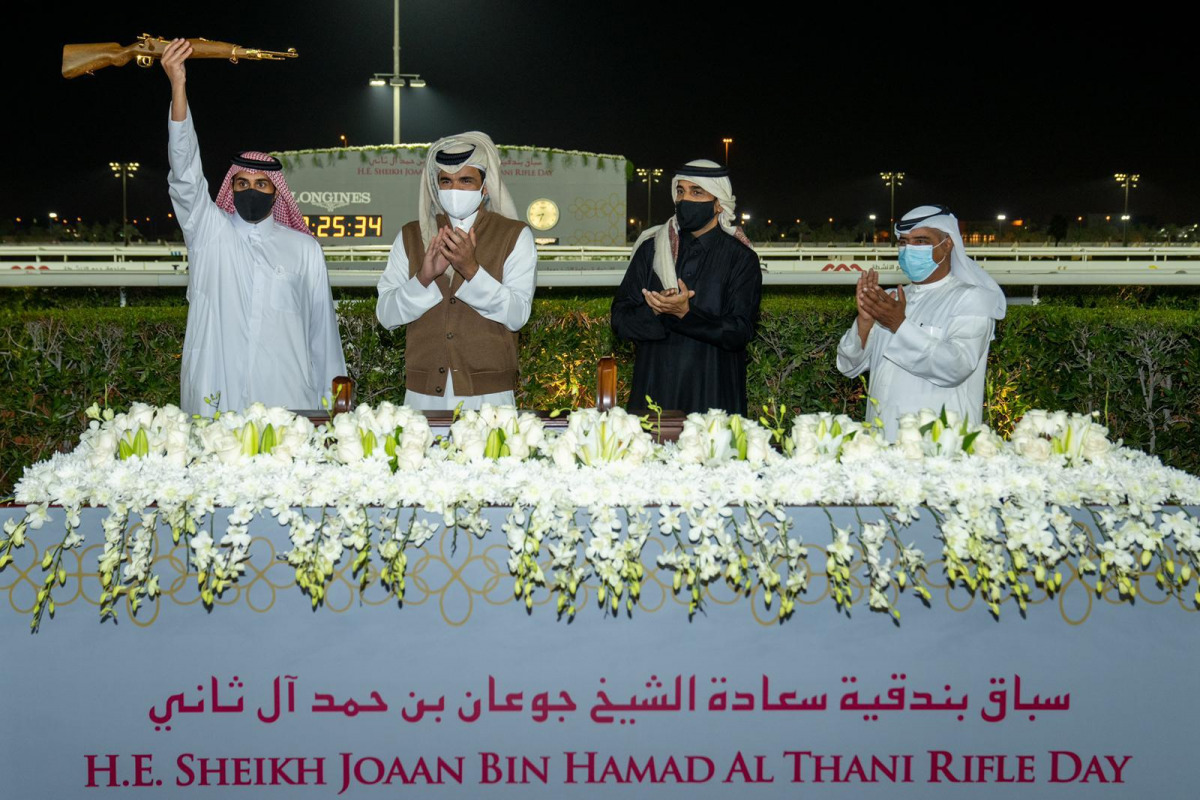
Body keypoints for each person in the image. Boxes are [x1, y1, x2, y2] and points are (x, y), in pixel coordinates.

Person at [161, 39, 345, 415]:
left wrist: (335, 416)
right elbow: (185, 175)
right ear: (230, 188)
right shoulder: (209, 235)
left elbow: (323, 338)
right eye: (242, 183)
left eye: (262, 184)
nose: (251, 190)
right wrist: (178, 86)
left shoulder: (304, 249)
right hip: (218, 400)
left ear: (277, 193)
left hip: (288, 404)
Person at [375, 133, 536, 410]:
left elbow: (517, 315)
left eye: (466, 180)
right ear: (436, 186)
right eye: (446, 181)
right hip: (422, 397)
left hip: (489, 399)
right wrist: (424, 278)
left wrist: (471, 270)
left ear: (485, 187)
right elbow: (386, 315)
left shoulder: (514, 235)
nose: (455, 189)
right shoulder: (411, 236)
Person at [836, 205, 1007, 439]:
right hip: (881, 439)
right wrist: (864, 322)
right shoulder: (891, 298)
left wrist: (899, 325)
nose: (909, 250)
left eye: (920, 241)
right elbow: (848, 366)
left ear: (947, 244)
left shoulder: (971, 299)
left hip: (938, 441)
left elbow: (957, 367)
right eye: (904, 242)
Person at [610, 160, 761, 415]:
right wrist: (656, 310)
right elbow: (620, 320)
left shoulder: (741, 258)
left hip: (713, 392)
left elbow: (739, 331)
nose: (685, 199)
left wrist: (686, 315)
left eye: (696, 192)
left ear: (718, 203)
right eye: (680, 191)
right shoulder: (652, 249)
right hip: (654, 389)